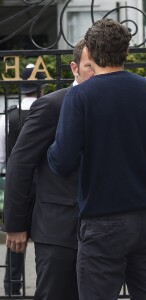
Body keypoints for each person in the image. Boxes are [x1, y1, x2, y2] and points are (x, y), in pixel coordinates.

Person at [47, 18, 146, 300]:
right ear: (127, 52)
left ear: (91, 54)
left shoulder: (79, 97)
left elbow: (61, 162)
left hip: (100, 222)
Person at [3, 39, 94, 300]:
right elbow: (20, 163)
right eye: (90, 66)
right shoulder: (52, 106)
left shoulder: (113, 103)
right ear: (74, 68)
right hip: (58, 230)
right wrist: (16, 224)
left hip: (102, 227)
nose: (96, 72)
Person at [0, 64, 46, 296]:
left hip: (18, 186)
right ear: (41, 88)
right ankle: (44, 288)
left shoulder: (9, 118)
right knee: (47, 243)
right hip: (48, 186)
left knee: (15, 243)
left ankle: (12, 288)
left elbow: (3, 157)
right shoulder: (50, 111)